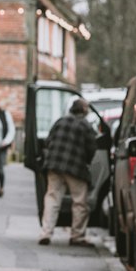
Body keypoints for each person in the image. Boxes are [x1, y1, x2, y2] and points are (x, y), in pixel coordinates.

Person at [38, 97, 97, 246]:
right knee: (79, 201)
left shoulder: (60, 121)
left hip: (54, 165)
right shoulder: (85, 126)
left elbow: (48, 141)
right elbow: (92, 148)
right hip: (75, 167)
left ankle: (46, 233)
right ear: (84, 111)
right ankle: (77, 235)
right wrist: (87, 162)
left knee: (52, 199)